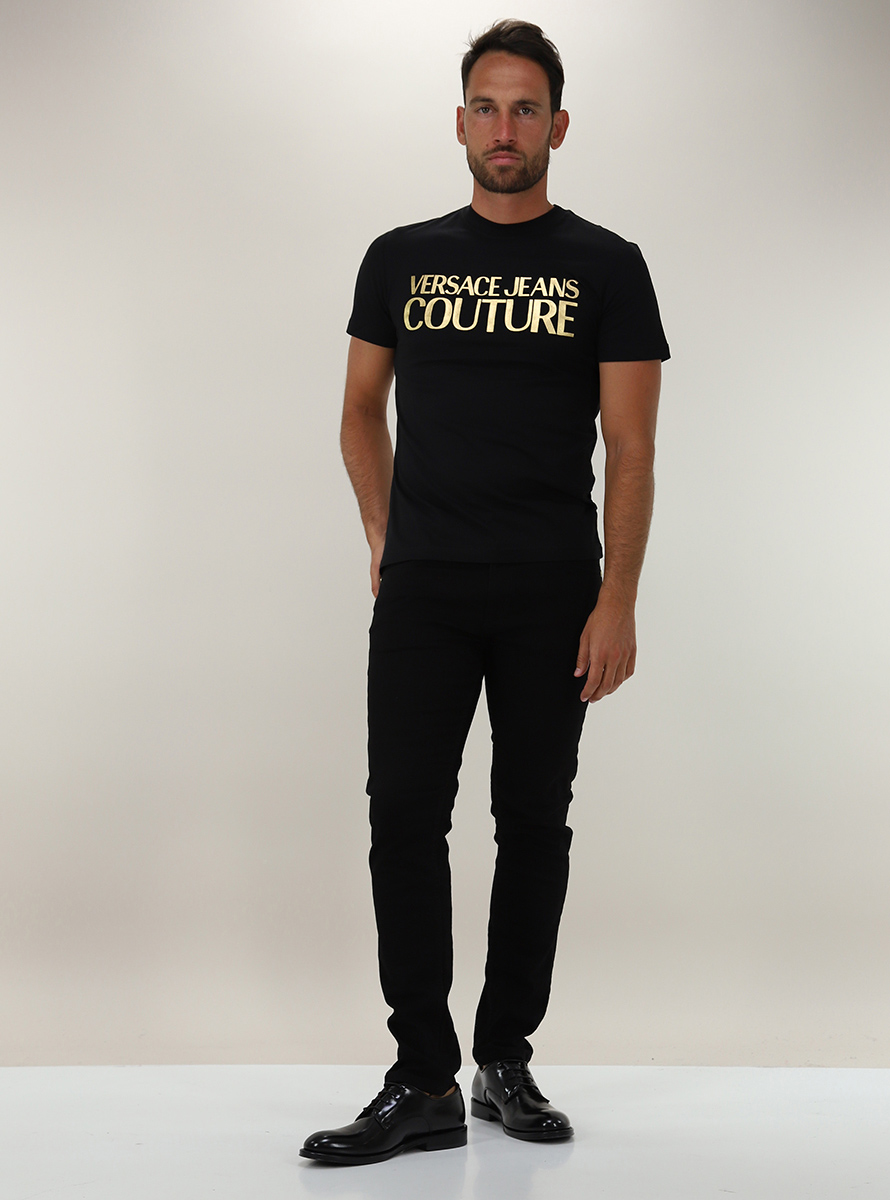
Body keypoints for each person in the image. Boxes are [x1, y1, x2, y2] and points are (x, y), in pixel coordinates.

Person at [300, 18, 669, 1166]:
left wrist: (616, 598)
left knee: (531, 822)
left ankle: (502, 1058)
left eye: (524, 109)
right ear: (458, 121)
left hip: (552, 589)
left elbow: (630, 445)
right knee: (403, 817)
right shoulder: (399, 258)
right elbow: (358, 409)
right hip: (424, 588)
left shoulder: (605, 264)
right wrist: (382, 532)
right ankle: (420, 1075)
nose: (503, 128)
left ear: (556, 126)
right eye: (484, 106)